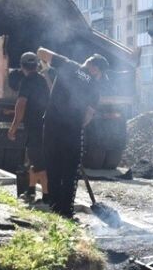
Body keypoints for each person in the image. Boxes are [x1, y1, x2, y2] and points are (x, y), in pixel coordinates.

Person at [35, 48, 109, 219]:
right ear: (95, 68)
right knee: (69, 173)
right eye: (100, 74)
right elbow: (88, 116)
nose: (99, 77)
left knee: (53, 168)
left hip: (52, 127)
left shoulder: (67, 65)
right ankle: (66, 212)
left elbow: (40, 52)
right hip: (72, 131)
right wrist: (75, 125)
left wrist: (47, 66)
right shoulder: (94, 87)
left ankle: (55, 210)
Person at [7, 51, 50, 204]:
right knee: (34, 159)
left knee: (39, 161)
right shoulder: (43, 80)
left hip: (35, 126)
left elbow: (21, 104)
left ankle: (46, 197)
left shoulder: (27, 81)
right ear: (36, 64)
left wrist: (13, 127)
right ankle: (31, 191)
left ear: (21, 66)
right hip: (45, 125)